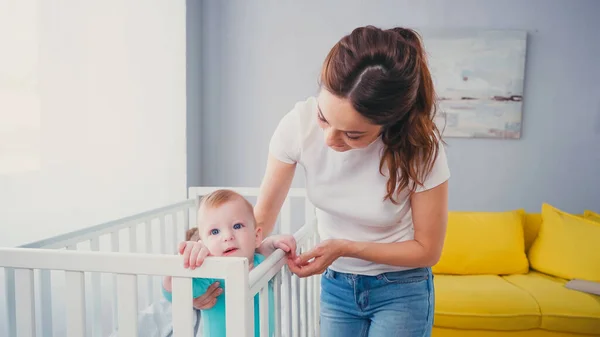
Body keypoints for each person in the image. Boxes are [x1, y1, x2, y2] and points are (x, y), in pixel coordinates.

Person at [198, 25, 450, 336]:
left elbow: (428, 250)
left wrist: (346, 247)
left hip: (401, 288)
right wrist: (208, 268)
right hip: (338, 287)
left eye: (353, 134)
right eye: (323, 117)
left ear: (390, 123)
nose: (330, 139)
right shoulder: (297, 126)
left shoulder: (420, 148)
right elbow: (258, 223)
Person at [162, 189, 297, 337]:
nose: (227, 236)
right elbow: (173, 290)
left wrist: (274, 243)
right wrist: (183, 261)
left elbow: (277, 254)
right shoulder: (210, 274)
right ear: (204, 244)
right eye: (214, 232)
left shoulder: (262, 263)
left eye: (237, 226)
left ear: (257, 236)